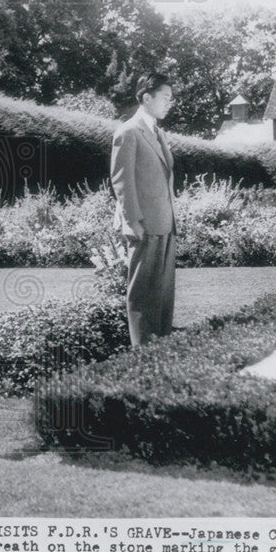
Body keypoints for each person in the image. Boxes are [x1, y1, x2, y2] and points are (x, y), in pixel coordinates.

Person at [110, 72, 177, 347]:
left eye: (171, 99)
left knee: (162, 294)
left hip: (165, 223)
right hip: (144, 225)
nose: (169, 103)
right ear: (147, 97)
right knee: (142, 294)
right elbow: (121, 180)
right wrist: (132, 222)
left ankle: (161, 349)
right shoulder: (128, 132)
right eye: (165, 97)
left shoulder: (157, 133)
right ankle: (143, 354)